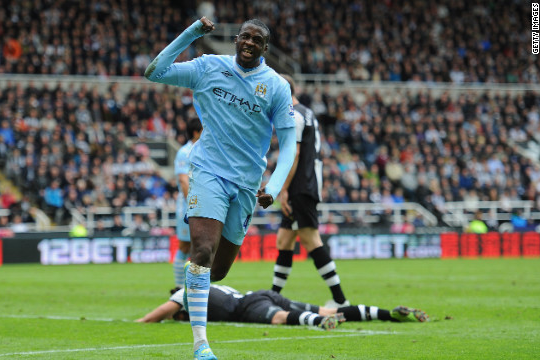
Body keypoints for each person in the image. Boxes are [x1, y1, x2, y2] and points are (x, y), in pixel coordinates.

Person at [145, 17, 297, 359]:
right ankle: (201, 346)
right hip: (208, 172)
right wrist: (192, 33)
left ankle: (190, 286)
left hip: (246, 184)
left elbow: (288, 145)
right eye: (245, 37)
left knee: (219, 270)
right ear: (236, 39)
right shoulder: (207, 67)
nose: (249, 43)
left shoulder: (275, 86)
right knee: (201, 251)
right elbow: (154, 71)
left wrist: (272, 187)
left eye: (257, 40)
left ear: (265, 48)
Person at [271, 75, 349, 308]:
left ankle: (341, 300)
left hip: (300, 186)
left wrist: (283, 189)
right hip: (307, 182)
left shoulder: (293, 115)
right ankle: (273, 296)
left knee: (311, 239)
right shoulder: (306, 112)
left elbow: (293, 155)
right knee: (284, 240)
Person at [136, 284, 429, 328]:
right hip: (260, 292)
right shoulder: (216, 285)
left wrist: (139, 324)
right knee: (329, 308)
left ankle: (316, 323)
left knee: (280, 319)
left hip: (248, 306)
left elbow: (158, 314)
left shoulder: (187, 293)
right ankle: (385, 313)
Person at [172, 118, 203, 291]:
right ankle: (178, 287)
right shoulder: (184, 152)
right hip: (187, 206)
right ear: (196, 133)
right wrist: (192, 205)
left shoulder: (205, 151)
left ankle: (193, 285)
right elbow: (184, 181)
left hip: (202, 204)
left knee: (199, 246)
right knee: (185, 245)